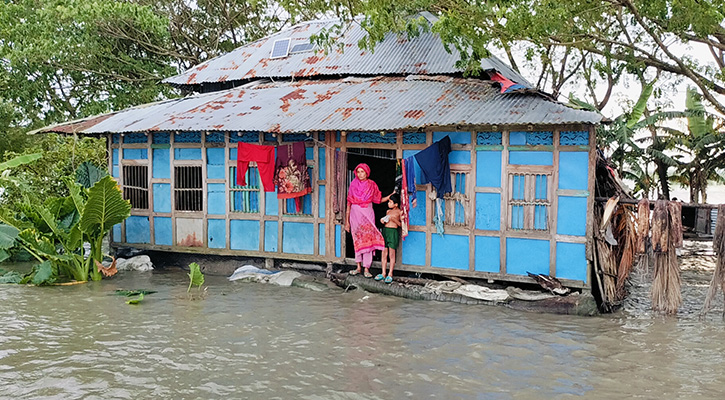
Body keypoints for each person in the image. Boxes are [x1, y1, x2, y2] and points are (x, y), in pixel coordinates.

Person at [345, 163, 385, 278]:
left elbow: (378, 200)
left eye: (362, 172)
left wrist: (389, 197)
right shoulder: (353, 184)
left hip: (367, 213)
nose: (360, 174)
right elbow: (349, 203)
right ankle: (358, 267)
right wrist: (347, 221)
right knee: (357, 239)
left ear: (367, 173)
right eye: (358, 172)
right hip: (355, 215)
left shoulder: (372, 185)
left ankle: (367, 268)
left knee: (368, 238)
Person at [375, 193, 401, 284]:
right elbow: (385, 221)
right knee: (384, 253)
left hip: (393, 232)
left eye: (390, 202)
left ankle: (390, 273)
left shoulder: (400, 212)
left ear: (396, 204)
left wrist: (394, 220)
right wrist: (382, 221)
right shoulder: (388, 212)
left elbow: (401, 225)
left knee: (392, 254)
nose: (388, 203)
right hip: (386, 231)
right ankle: (383, 273)